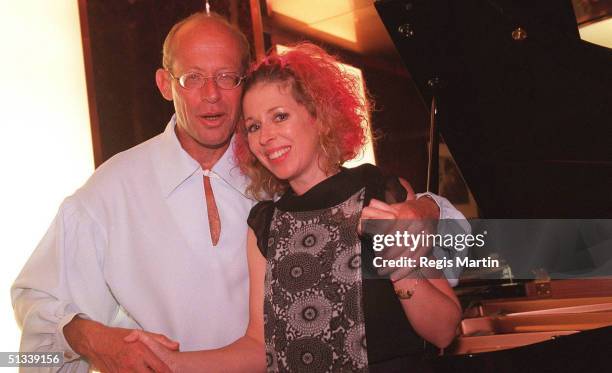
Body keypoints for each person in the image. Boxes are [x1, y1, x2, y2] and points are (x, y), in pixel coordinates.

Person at [12, 12, 461, 373]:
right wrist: (91, 339)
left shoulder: (296, 176)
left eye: (227, 77)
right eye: (192, 78)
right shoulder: (110, 191)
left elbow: (480, 252)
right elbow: (30, 331)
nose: (212, 95)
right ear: (166, 85)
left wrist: (425, 212)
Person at [126, 43, 463, 372]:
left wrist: (402, 267)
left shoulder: (376, 191)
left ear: (319, 114)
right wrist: (171, 363)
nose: (265, 136)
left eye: (280, 117)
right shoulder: (264, 223)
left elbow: (445, 330)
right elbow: (259, 347)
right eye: (254, 126)